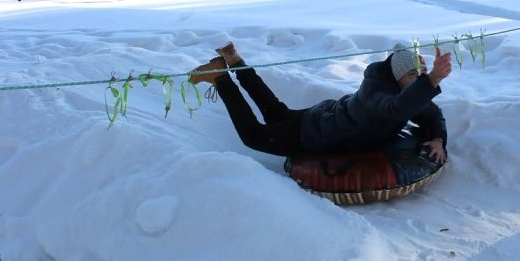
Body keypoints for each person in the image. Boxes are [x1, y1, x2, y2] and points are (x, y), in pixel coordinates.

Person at [190, 43, 451, 164]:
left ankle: (235, 62)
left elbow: (430, 112)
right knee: (253, 135)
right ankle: (220, 77)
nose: (417, 81)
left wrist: (437, 138)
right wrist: (434, 79)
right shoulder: (378, 93)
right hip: (318, 133)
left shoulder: (406, 91)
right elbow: (397, 108)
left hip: (326, 116)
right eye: (412, 76)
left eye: (420, 76)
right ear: (397, 76)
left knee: (275, 112)